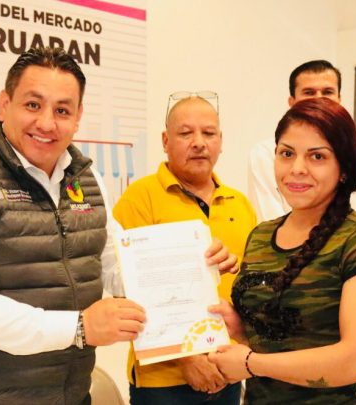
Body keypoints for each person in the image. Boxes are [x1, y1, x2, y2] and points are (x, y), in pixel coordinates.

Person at [0, 47, 237, 405]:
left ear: (78, 117)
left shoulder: (88, 179)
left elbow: (118, 266)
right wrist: (80, 328)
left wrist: (195, 269)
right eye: (32, 105)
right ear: (4, 104)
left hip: (71, 395)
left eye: (62, 110)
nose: (46, 123)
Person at [207, 97, 356, 404]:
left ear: (344, 168)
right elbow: (278, 342)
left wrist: (250, 363)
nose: (297, 169)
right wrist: (240, 328)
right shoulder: (261, 236)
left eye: (317, 156)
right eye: (287, 154)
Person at [113, 93, 255, 404]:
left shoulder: (240, 204)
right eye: (186, 133)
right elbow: (126, 290)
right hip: (162, 380)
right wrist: (187, 358)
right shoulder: (140, 198)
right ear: (165, 140)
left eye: (209, 133)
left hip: (228, 371)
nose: (199, 143)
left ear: (221, 140)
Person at [247, 60, 356, 224]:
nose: (319, 99)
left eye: (327, 92)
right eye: (309, 92)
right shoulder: (265, 154)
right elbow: (270, 222)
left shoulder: (353, 157)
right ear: (292, 102)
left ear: (339, 99)